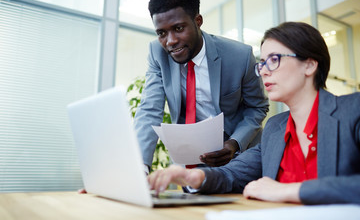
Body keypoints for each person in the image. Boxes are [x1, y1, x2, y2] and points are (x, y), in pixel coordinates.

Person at [147, 22, 360, 205]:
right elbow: (233, 173)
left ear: (310, 64)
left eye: (274, 59)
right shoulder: (275, 128)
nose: (264, 70)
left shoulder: (353, 110)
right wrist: (192, 176)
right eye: (263, 63)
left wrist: (288, 190)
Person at [134, 0, 269, 174]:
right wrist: (140, 167)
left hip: (239, 156)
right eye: (162, 33)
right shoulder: (158, 53)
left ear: (198, 21)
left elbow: (257, 107)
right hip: (189, 159)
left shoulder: (239, 56)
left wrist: (233, 144)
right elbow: (149, 109)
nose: (170, 41)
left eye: (178, 28)